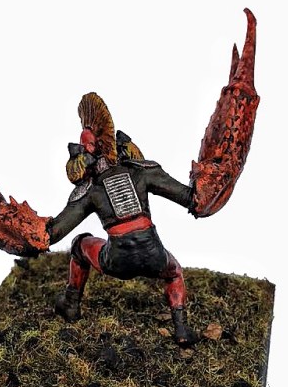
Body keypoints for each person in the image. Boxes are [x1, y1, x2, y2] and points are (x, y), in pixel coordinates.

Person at [47, 93, 202, 346]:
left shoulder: (90, 190)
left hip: (116, 260)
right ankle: (181, 328)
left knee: (79, 244)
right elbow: (190, 198)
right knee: (173, 271)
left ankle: (70, 303)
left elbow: (53, 233)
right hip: (153, 253)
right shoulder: (143, 172)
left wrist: (31, 234)